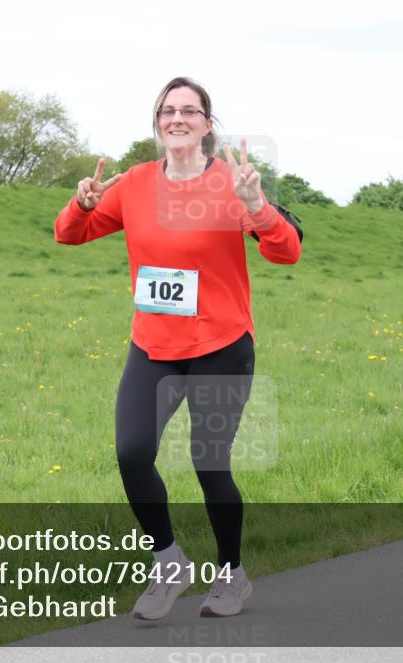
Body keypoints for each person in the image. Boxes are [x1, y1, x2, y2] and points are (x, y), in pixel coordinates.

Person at [53, 76, 301, 620]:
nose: (177, 118)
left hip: (221, 345)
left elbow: (286, 253)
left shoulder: (229, 184)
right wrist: (80, 202)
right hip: (154, 346)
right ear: (157, 123)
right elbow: (68, 234)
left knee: (209, 462)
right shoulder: (136, 184)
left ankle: (231, 575)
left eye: (190, 110)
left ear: (208, 125)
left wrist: (258, 205)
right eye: (168, 110)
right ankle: (169, 561)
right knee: (131, 452)